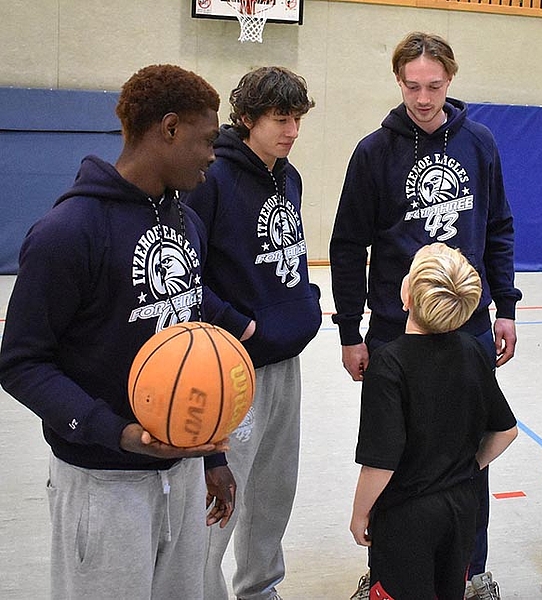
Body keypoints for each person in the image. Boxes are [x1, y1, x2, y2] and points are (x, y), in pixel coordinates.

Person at [0, 64, 253, 600]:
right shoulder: (67, 232)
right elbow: (21, 363)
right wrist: (116, 432)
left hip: (182, 475)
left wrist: (211, 457)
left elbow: (189, 337)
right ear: (169, 128)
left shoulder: (186, 223)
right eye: (207, 140)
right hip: (102, 479)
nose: (214, 155)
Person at [330, 31, 522, 591]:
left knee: (467, 454)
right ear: (398, 81)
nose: (422, 98)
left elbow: (499, 227)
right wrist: (350, 330)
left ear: (450, 79)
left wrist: (506, 306)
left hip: (470, 326)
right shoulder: (374, 152)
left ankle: (470, 572)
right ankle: (387, 573)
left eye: (433, 86)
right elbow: (348, 246)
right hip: (397, 330)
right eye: (412, 86)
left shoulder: (480, 143)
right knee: (395, 451)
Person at [183, 66, 321, 600]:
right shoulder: (211, 179)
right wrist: (238, 323)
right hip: (232, 364)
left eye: (297, 120)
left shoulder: (290, 177)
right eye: (281, 120)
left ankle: (260, 587)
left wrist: (305, 303)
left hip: (285, 359)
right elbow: (183, 273)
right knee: (224, 493)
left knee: (274, 489)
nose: (292, 131)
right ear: (245, 118)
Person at [350, 243, 518, 600]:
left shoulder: (389, 364)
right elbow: (506, 430)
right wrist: (464, 468)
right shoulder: (473, 351)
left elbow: (380, 463)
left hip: (406, 515)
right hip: (462, 506)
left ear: (406, 296)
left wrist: (360, 514)